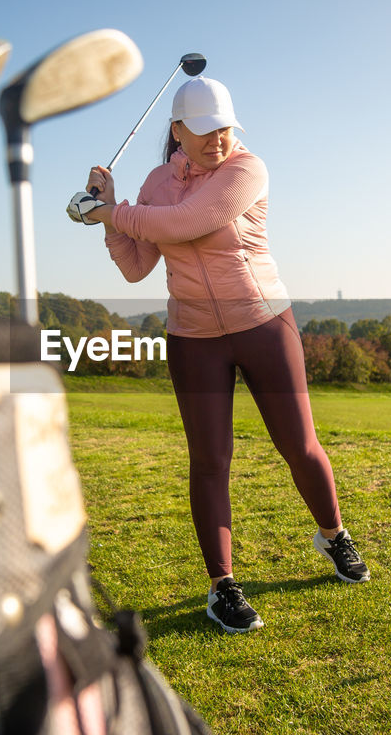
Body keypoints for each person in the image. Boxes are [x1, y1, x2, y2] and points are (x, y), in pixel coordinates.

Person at [78, 76, 369, 634]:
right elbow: (137, 265)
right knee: (210, 461)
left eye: (226, 128)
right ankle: (222, 587)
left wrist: (108, 214)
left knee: (299, 445)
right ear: (178, 131)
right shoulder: (156, 183)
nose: (219, 140)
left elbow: (186, 223)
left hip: (261, 322)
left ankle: (334, 535)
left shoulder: (246, 169)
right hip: (193, 336)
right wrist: (111, 211)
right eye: (207, 131)